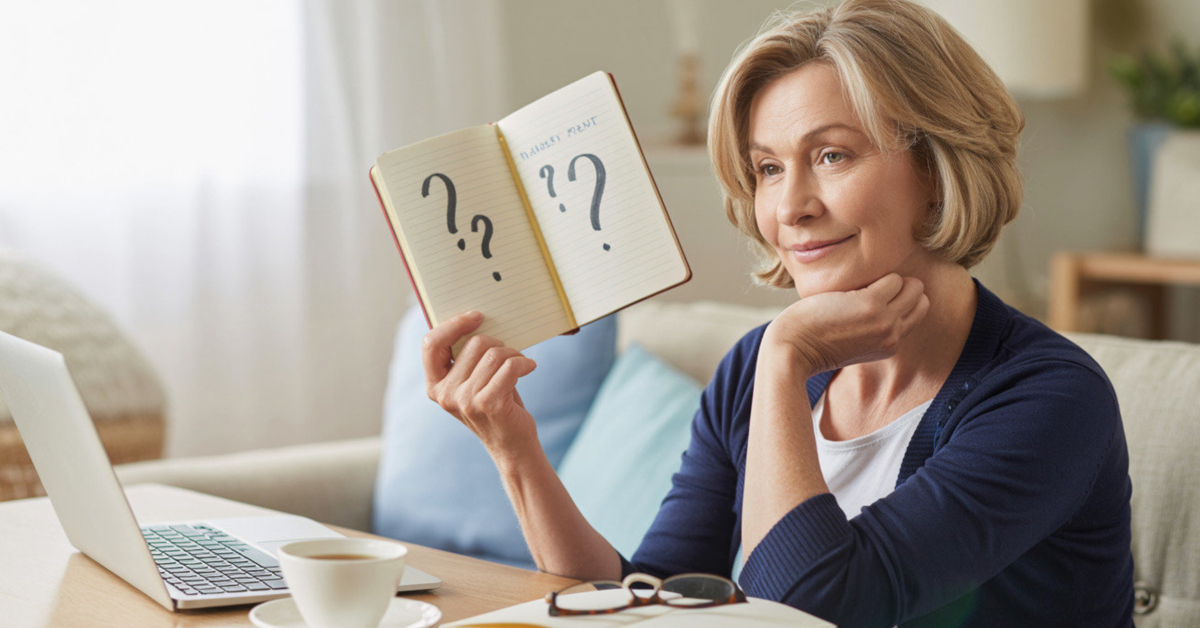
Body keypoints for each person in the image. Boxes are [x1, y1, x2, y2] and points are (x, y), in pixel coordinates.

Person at [420, 0, 1134, 626]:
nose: (790, 208)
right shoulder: (753, 369)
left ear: (937, 169)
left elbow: (811, 609)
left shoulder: (1048, 398)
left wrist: (789, 356)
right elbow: (648, 604)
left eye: (830, 155)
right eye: (767, 168)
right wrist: (514, 451)